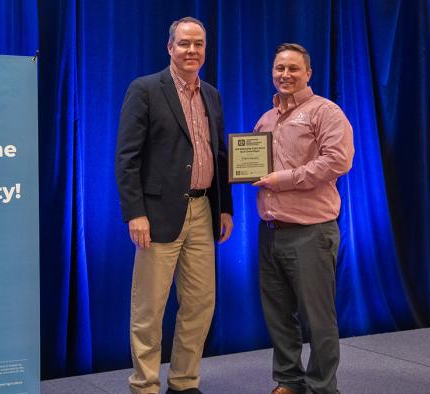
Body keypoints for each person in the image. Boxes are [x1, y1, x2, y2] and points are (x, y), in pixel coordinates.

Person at [114, 16, 234, 394]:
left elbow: (220, 154)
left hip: (203, 211)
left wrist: (225, 207)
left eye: (198, 43)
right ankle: (145, 384)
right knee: (149, 309)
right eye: (184, 43)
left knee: (200, 305)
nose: (192, 50)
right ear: (170, 47)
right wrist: (135, 213)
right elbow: (126, 158)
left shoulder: (211, 94)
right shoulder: (146, 89)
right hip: (157, 214)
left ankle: (184, 382)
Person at [252, 43, 354, 394]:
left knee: (318, 318)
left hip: (310, 232)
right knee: (278, 315)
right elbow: (252, 167)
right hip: (270, 233)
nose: (286, 74)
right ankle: (290, 381)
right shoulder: (265, 119)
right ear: (272, 71)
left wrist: (284, 180)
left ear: (308, 73)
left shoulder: (325, 112)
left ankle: (322, 387)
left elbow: (337, 161)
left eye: (294, 68)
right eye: (280, 68)